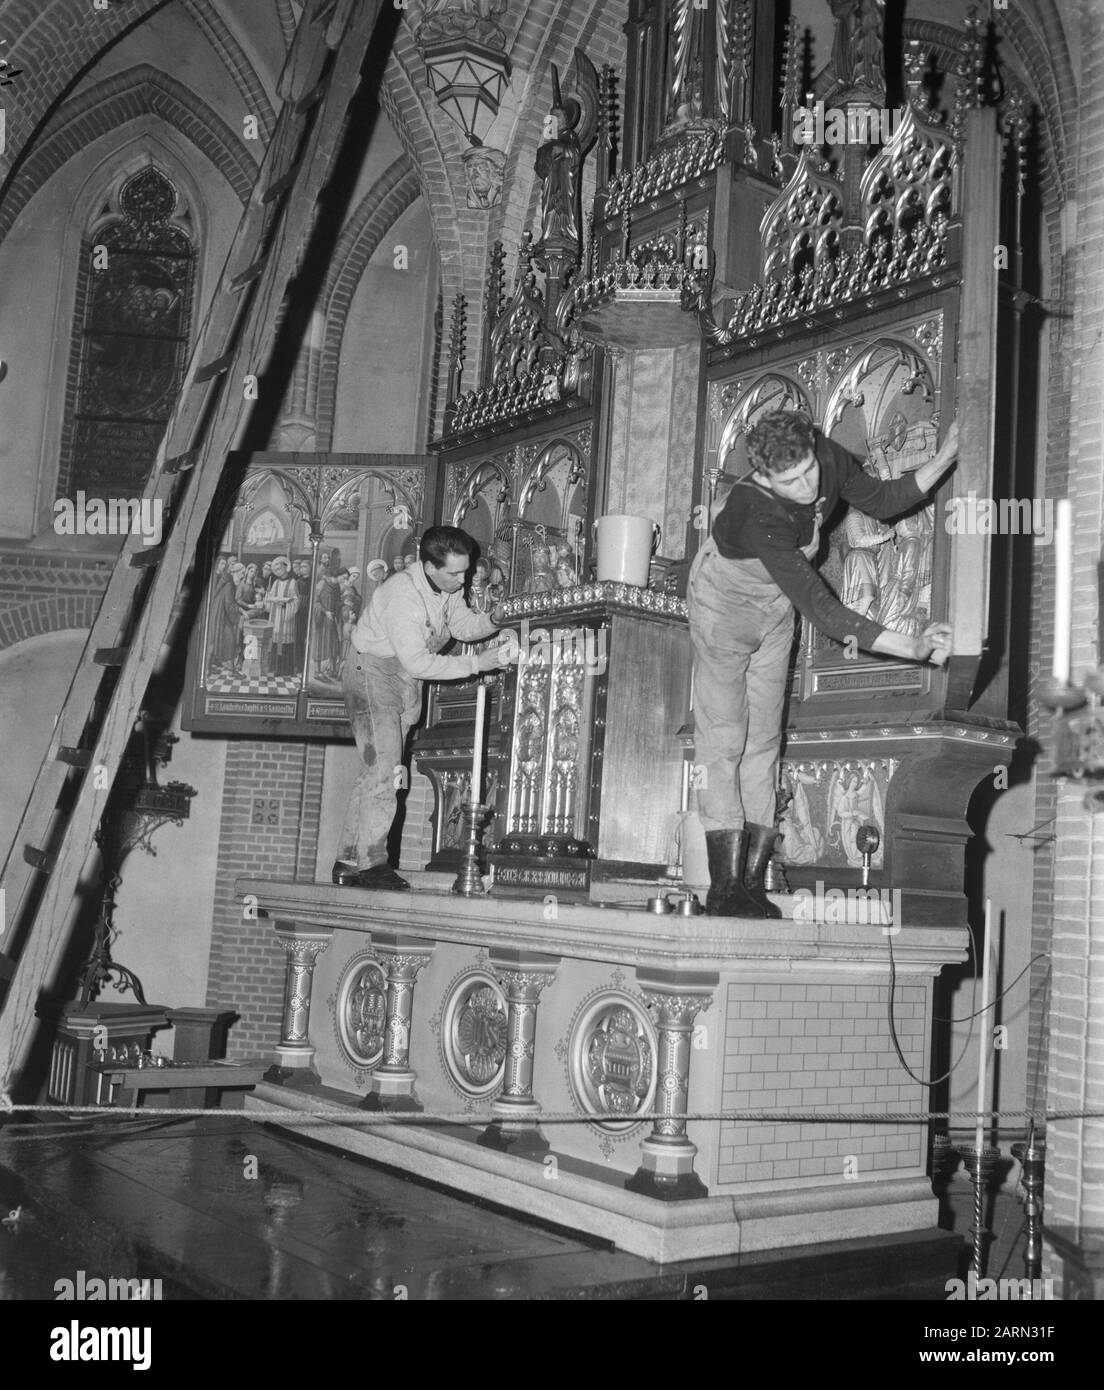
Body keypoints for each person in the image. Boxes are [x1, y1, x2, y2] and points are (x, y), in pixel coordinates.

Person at [688, 409, 957, 919]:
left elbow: (881, 501)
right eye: (791, 482)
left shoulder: (826, 455)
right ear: (765, 477)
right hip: (721, 608)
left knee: (766, 739)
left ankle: (752, 883)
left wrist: (946, 456)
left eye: (810, 470)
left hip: (773, 608)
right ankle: (723, 887)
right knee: (723, 739)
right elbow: (825, 609)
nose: (809, 488)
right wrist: (912, 647)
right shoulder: (754, 508)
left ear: (814, 445)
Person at [333, 525, 511, 890]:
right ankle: (371, 864)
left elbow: (460, 625)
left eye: (465, 571)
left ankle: (348, 861)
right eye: (455, 573)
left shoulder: (446, 586)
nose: (463, 580)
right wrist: (480, 663)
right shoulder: (403, 596)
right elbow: (419, 663)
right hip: (371, 673)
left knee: (379, 772)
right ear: (429, 568)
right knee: (385, 771)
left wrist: (495, 619)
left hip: (400, 679)